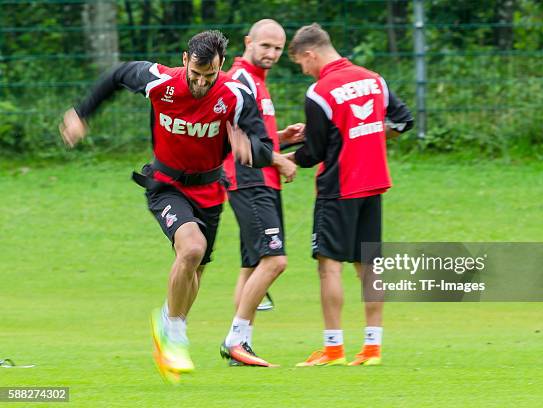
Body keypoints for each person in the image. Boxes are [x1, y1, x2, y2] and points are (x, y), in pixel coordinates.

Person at [59, 30, 279, 380]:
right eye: (195, 75)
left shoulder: (236, 95)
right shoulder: (160, 81)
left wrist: (252, 149)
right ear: (184, 60)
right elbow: (117, 75)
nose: (201, 84)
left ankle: (169, 319)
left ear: (221, 66)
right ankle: (173, 333)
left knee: (195, 269)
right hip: (166, 184)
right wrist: (82, 113)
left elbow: (264, 145)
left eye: (210, 76)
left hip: (209, 190)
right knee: (192, 248)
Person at [285, 24, 414, 367]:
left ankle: (333, 349)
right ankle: (372, 349)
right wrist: (364, 136)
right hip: (373, 183)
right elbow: (403, 121)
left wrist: (282, 158)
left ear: (310, 53)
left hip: (338, 188)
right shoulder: (374, 80)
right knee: (370, 266)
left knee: (329, 267)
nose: (304, 70)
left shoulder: (319, 93)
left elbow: (313, 153)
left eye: (300, 63)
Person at [220, 19, 304, 367]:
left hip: (260, 179)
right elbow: (233, 138)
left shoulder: (257, 82)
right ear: (248, 41)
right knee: (275, 260)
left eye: (278, 49)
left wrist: (280, 138)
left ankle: (243, 346)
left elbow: (254, 137)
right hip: (249, 179)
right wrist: (281, 161)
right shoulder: (239, 80)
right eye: (265, 46)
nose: (271, 54)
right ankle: (234, 340)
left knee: (251, 265)